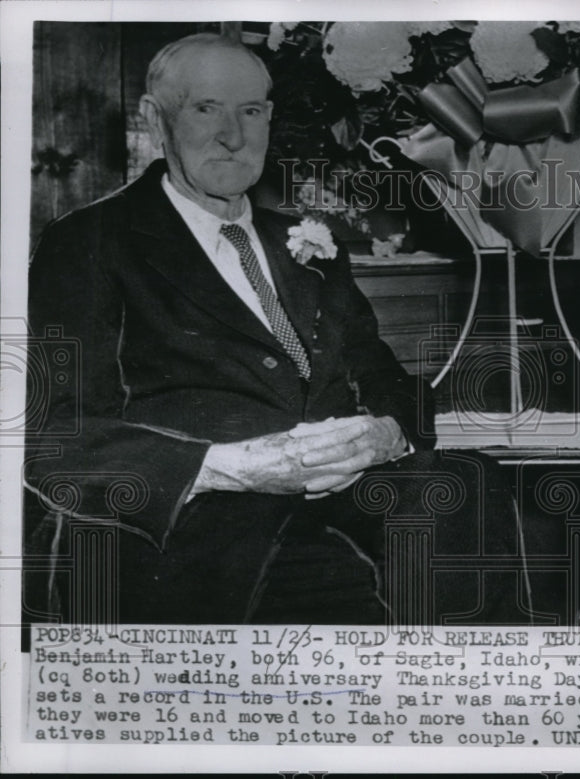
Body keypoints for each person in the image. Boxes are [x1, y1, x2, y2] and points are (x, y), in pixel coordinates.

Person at [24, 33, 528, 625]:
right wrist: (234, 465)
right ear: (154, 120)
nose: (233, 136)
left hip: (349, 498)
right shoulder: (88, 242)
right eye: (205, 108)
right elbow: (54, 434)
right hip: (210, 517)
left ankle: (455, 699)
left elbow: (384, 375)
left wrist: (387, 432)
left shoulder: (309, 241)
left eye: (252, 111)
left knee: (463, 485)